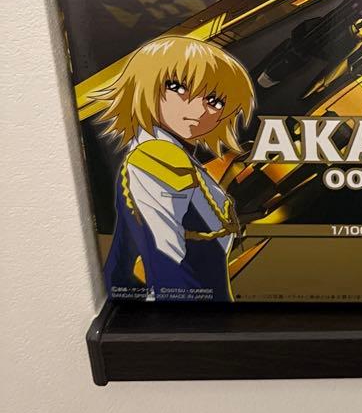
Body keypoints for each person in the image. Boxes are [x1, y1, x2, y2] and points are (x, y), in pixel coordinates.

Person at [93, 35, 255, 301]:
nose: (199, 109)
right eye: (178, 87)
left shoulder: (170, 155)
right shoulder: (159, 158)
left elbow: (126, 253)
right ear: (145, 85)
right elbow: (167, 255)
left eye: (214, 101)